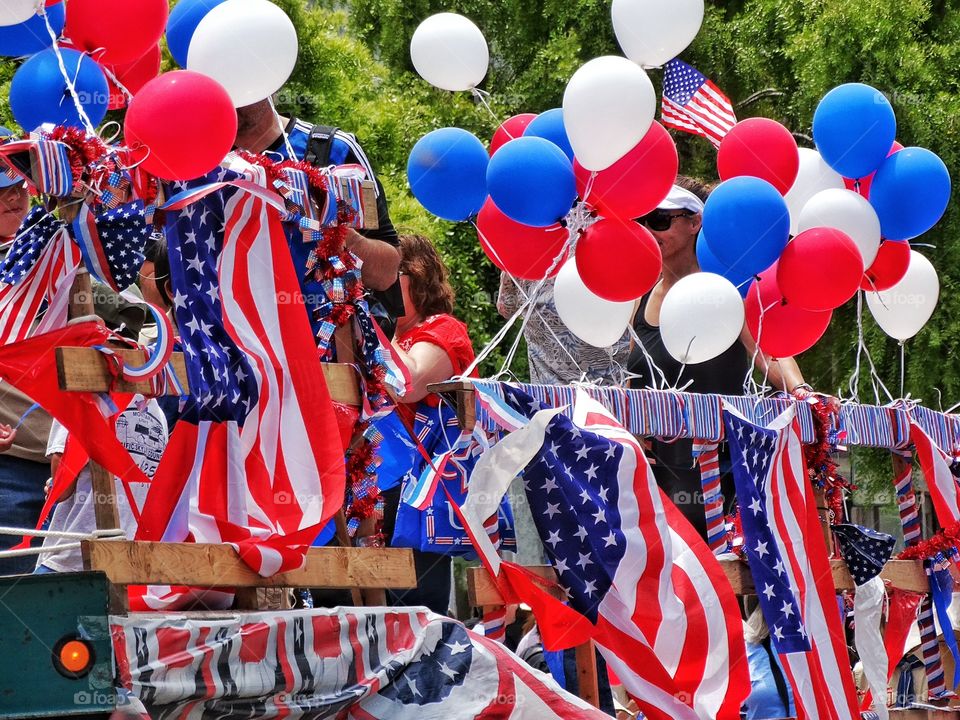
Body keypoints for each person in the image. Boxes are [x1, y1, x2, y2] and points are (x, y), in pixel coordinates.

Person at [626, 176, 811, 538]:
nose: (650, 229)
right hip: (655, 478)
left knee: (725, 579)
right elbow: (633, 377)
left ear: (695, 222)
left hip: (721, 472)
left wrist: (803, 392)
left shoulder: (727, 291)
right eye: (644, 220)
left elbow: (770, 351)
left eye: (660, 220)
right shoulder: (639, 298)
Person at [233, 98, 403, 336]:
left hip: (325, 352)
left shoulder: (335, 150)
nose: (230, 96)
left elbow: (386, 272)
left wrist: (333, 229)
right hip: (232, 350)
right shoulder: (199, 162)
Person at [380, 234, 478, 614]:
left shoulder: (443, 329)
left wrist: (368, 326)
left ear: (418, 277)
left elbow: (407, 384)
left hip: (416, 497)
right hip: (368, 487)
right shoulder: (388, 336)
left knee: (415, 607)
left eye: (392, 269)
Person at [0, 171, 54, 575]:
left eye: (17, 187)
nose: (13, 198)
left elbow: (130, 319)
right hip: (12, 467)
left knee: (71, 613)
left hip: (74, 472)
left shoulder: (57, 251)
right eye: (0, 192)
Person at [497, 271, 630, 385]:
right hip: (613, 384)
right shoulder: (607, 248)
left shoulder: (525, 255)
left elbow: (506, 308)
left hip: (550, 390)